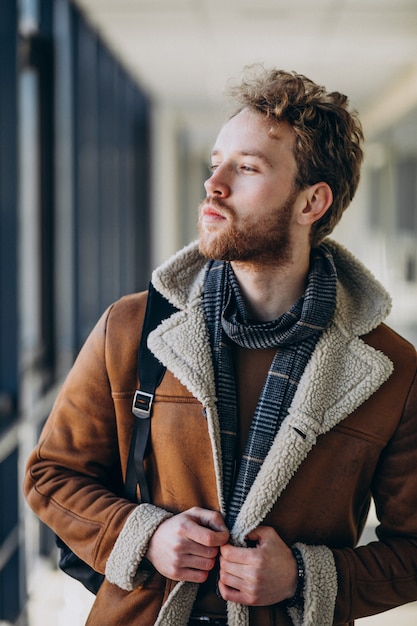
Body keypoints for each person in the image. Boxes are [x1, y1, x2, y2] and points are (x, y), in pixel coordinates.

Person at [24, 66, 417, 626]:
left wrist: (305, 577)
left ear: (313, 203)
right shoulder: (133, 327)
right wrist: (147, 535)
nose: (214, 184)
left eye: (247, 168)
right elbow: (51, 474)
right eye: (216, 165)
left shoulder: (391, 369)